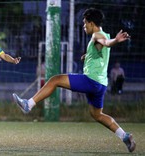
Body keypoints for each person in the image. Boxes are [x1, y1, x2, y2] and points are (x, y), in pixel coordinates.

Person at [13, 8, 136, 152]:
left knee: (55, 80)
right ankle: (125, 136)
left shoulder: (98, 34)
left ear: (91, 23)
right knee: (97, 114)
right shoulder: (101, 34)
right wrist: (88, 55)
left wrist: (116, 40)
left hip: (91, 81)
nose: (84, 26)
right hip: (101, 84)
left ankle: (29, 104)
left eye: (85, 23)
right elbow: (101, 48)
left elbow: (106, 43)